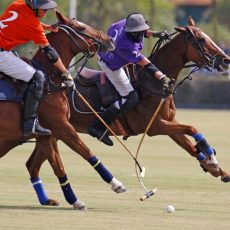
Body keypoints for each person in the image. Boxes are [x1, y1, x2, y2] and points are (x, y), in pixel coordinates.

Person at [88, 13, 172, 146]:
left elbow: (142, 31)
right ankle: (98, 127)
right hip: (112, 65)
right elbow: (145, 63)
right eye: (136, 33)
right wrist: (162, 77)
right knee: (131, 97)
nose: (139, 35)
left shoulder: (125, 23)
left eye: (140, 31)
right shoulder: (125, 45)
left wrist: (156, 34)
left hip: (112, 53)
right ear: (130, 32)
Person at [0, 0, 74, 137]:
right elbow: (50, 53)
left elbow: (24, 21)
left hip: (4, 50)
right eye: (43, 9)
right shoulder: (33, 25)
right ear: (34, 8)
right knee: (37, 77)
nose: (46, 12)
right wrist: (66, 73)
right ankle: (30, 124)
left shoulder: (17, 4)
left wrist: (46, 27)